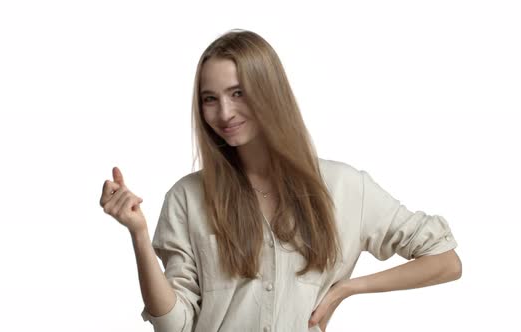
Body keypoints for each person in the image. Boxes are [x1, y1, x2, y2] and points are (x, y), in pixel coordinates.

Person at [99, 29, 462, 332]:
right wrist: (138, 234)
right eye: (210, 99)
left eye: (237, 93)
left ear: (269, 90)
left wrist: (346, 289)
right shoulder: (188, 197)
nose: (224, 113)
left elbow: (445, 260)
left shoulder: (345, 188)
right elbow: (173, 326)